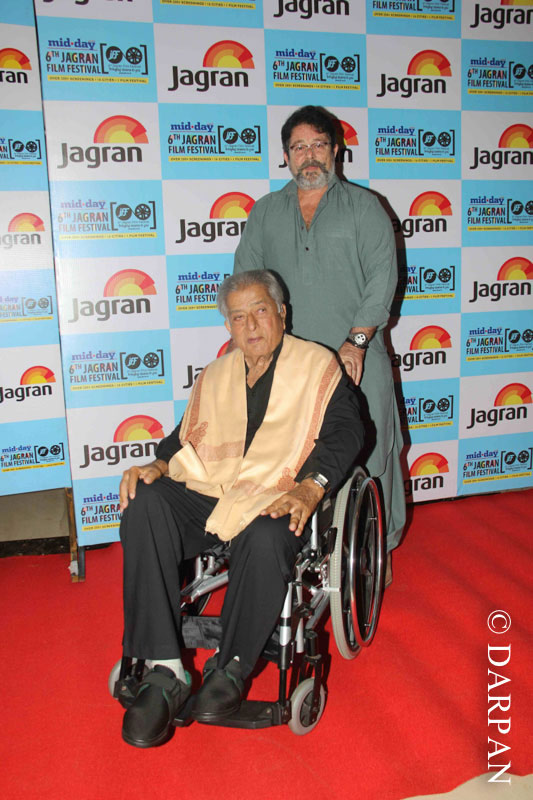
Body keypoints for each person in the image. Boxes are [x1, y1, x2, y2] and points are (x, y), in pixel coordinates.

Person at [118, 269, 363, 748]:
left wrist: (310, 488)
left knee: (267, 533)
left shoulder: (317, 366)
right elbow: (185, 437)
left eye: (260, 311)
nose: (250, 325)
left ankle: (230, 666)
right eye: (237, 317)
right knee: (144, 503)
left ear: (282, 314)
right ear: (227, 326)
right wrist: (158, 464)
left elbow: (347, 433)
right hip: (213, 491)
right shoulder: (216, 374)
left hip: (277, 491)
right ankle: (165, 669)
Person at [234, 105, 405, 573]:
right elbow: (247, 282)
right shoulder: (265, 212)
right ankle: (300, 557)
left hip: (356, 357)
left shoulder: (364, 207)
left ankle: (374, 557)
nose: (309, 155)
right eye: (298, 147)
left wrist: (357, 341)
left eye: (318, 144)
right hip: (291, 366)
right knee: (298, 458)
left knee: (371, 451)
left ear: (336, 150)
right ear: (285, 155)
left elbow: (382, 278)